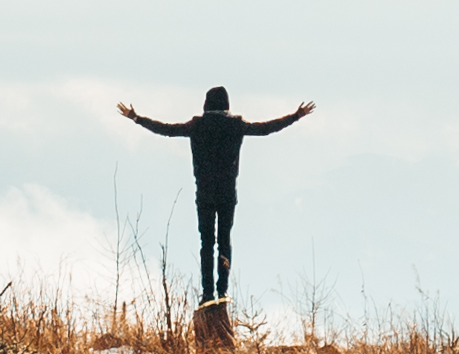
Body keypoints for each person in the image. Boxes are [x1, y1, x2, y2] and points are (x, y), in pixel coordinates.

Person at [118, 86, 314, 306]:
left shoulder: (197, 126)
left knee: (206, 244)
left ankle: (207, 293)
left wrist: (136, 118)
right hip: (228, 192)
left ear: (206, 104)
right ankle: (222, 291)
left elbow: (165, 130)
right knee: (224, 242)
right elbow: (266, 128)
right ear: (226, 104)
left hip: (204, 192)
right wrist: (296, 116)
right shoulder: (235, 126)